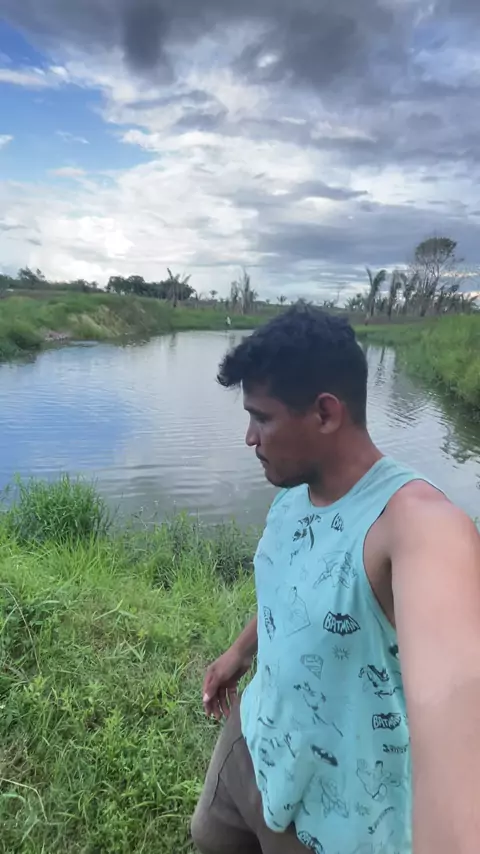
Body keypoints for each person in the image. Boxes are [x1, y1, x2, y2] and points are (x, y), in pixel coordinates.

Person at [191, 305, 480, 854]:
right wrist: (239, 652)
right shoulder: (294, 492)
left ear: (325, 413)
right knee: (208, 837)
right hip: (254, 739)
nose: (249, 438)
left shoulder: (418, 527)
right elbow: (295, 588)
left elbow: (458, 733)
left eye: (262, 417)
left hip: (334, 813)